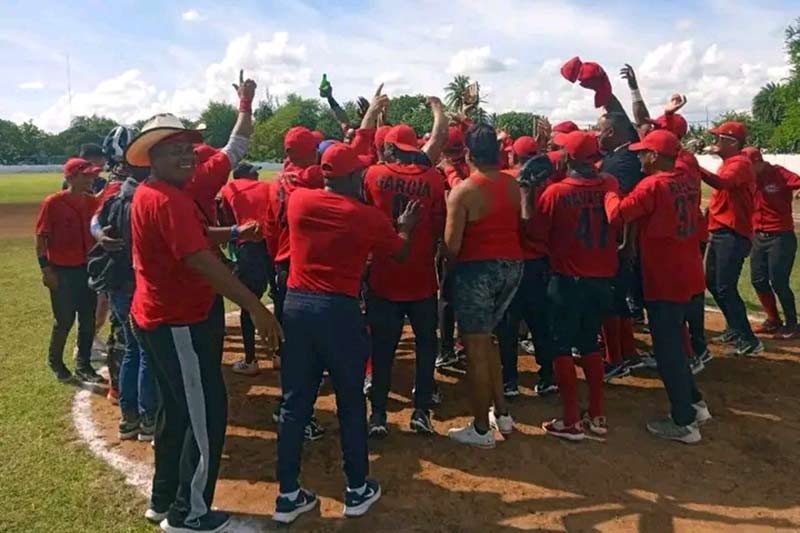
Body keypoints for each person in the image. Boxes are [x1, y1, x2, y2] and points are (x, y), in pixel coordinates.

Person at [125, 112, 282, 533]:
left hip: (161, 318)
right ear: (152, 157)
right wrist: (256, 306)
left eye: (187, 149)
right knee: (206, 415)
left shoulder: (158, 192)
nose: (186, 156)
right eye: (173, 150)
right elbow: (196, 259)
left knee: (176, 413)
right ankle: (190, 514)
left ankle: (163, 500)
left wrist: (231, 233)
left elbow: (193, 237)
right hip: (179, 322)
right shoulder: (167, 198)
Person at [273, 143, 419, 524]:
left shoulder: (300, 201)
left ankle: (287, 494)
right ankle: (356, 488)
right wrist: (404, 229)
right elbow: (399, 253)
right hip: (339, 310)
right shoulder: (366, 217)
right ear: (353, 177)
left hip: (297, 307)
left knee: (293, 404)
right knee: (351, 400)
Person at [604, 130, 711, 444]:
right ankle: (696, 403)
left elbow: (617, 215)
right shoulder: (688, 180)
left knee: (668, 351)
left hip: (666, 275)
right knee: (677, 343)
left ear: (656, 156)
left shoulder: (652, 184)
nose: (639, 157)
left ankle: (684, 422)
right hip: (688, 271)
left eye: (643, 152)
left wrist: (610, 189)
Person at [362, 95, 448, 438]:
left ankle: (379, 415)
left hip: (383, 275)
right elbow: (442, 227)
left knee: (383, 349)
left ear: (391, 148)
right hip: (422, 278)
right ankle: (421, 411)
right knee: (427, 345)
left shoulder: (373, 174)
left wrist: (374, 113)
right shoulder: (434, 179)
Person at [444, 123, 523, 449]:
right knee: (486, 343)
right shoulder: (513, 184)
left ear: (468, 153)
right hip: (512, 268)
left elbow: (451, 247)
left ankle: (480, 429)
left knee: (476, 349)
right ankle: (501, 413)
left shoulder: (464, 191)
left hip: (478, 271)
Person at [536, 130, 619, 441]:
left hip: (567, 280)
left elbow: (536, 233)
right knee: (588, 343)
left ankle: (570, 419)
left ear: (568, 157)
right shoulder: (609, 185)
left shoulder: (556, 192)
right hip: (601, 280)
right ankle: (597, 415)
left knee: (560, 346)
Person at [90, 126, 158, 442]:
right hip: (138, 284)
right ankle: (147, 419)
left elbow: (96, 222)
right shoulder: (142, 199)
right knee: (145, 352)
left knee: (132, 349)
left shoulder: (115, 196)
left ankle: (129, 418)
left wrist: (101, 235)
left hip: (117, 283)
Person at [264, 125, 327, 440]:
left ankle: (290, 408)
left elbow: (268, 228)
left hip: (282, 263)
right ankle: (298, 414)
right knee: (307, 346)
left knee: (293, 343)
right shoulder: (312, 177)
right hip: (304, 268)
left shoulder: (279, 180)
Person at [497, 138, 559, 398]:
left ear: (514, 156)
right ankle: (547, 376)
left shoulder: (503, 179)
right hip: (539, 262)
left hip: (512, 260)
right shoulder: (553, 186)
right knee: (540, 321)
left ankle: (510, 380)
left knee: (509, 323)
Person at [36, 158, 107, 384]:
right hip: (62, 271)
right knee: (64, 320)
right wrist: (46, 270)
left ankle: (83, 364)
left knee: (87, 320)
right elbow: (41, 238)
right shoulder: (53, 203)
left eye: (92, 175)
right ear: (71, 177)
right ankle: (55, 361)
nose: (91, 179)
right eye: (85, 175)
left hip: (87, 270)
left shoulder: (92, 202)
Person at [701, 121, 764, 356]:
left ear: (732, 142)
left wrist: (694, 167)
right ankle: (736, 328)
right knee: (713, 282)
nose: (715, 142)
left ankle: (749, 339)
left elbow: (721, 183)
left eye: (720, 138)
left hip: (733, 233)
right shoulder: (730, 163)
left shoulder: (739, 163)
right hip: (721, 230)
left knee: (725, 286)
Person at [596, 109, 645, 380]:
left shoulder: (625, 161)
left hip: (617, 241)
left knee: (611, 300)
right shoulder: (617, 157)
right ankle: (628, 353)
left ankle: (615, 359)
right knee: (616, 299)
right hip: (613, 239)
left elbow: (628, 204)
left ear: (612, 132)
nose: (597, 134)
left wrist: (627, 242)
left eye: (599, 130)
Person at [219, 162, 274, 375]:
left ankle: (251, 360)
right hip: (273, 244)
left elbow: (227, 220)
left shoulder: (228, 189)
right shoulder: (269, 187)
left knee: (248, 303)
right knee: (278, 299)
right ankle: (278, 354)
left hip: (249, 245)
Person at [743, 147, 800, 339]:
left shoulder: (778, 173)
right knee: (758, 280)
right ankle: (773, 320)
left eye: (749, 166)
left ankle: (792, 324)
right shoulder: (748, 178)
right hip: (758, 235)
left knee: (779, 282)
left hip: (781, 236)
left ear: (759, 162)